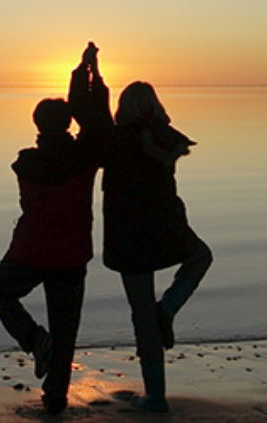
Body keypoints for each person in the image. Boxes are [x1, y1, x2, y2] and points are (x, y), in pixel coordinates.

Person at [70, 42, 214, 413]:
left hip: (129, 236)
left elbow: (87, 112)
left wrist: (86, 71)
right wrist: (96, 72)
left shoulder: (115, 141)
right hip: (167, 228)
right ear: (154, 106)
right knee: (201, 258)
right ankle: (168, 308)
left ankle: (156, 396)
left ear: (124, 108)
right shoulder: (166, 137)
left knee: (142, 315)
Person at [0, 97, 100, 416]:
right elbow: (96, 126)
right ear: (69, 123)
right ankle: (56, 397)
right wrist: (89, 74)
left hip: (30, 250)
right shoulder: (85, 159)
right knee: (66, 326)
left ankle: (34, 339)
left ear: (37, 124)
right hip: (71, 254)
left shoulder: (25, 163)